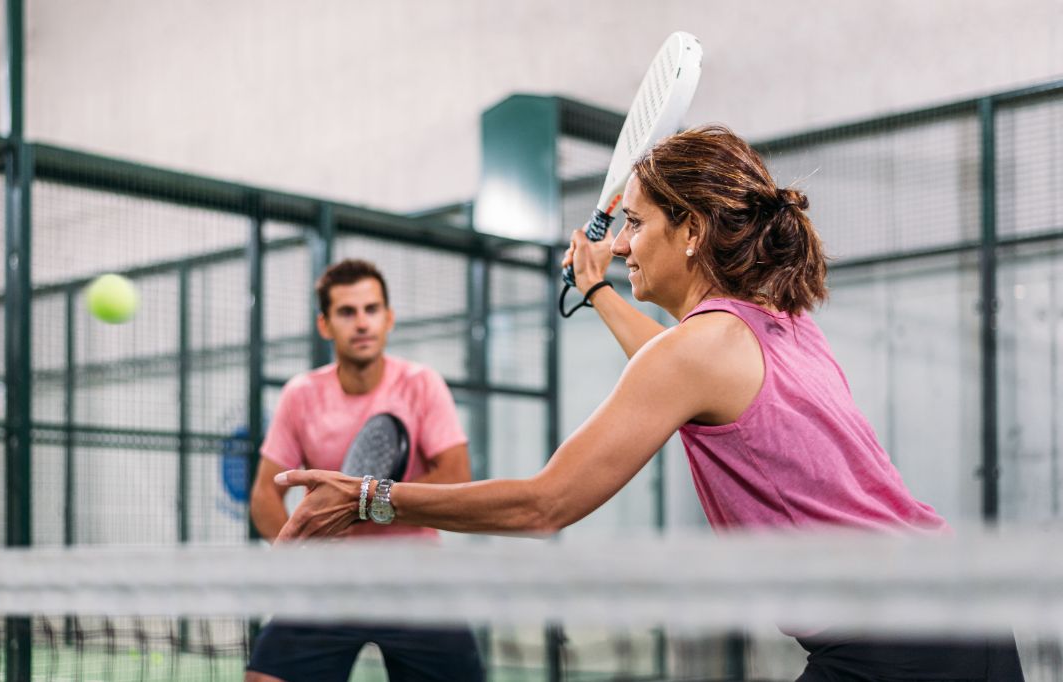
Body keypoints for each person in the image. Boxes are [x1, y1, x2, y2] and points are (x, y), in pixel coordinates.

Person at [272, 126, 1025, 681]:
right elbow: (673, 366)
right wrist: (598, 290)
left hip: (895, 646)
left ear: (690, 231)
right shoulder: (777, 321)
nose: (625, 242)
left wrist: (369, 499)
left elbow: (544, 505)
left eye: (635, 222)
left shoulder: (697, 352)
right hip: (965, 615)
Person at [245, 259, 484, 682]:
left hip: (417, 581)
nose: (361, 323)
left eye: (371, 309)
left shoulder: (421, 384)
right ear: (324, 325)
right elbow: (266, 493)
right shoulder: (300, 394)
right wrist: (298, 554)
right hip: (329, 584)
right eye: (347, 312)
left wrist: (359, 504)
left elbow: (455, 475)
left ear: (388, 318)